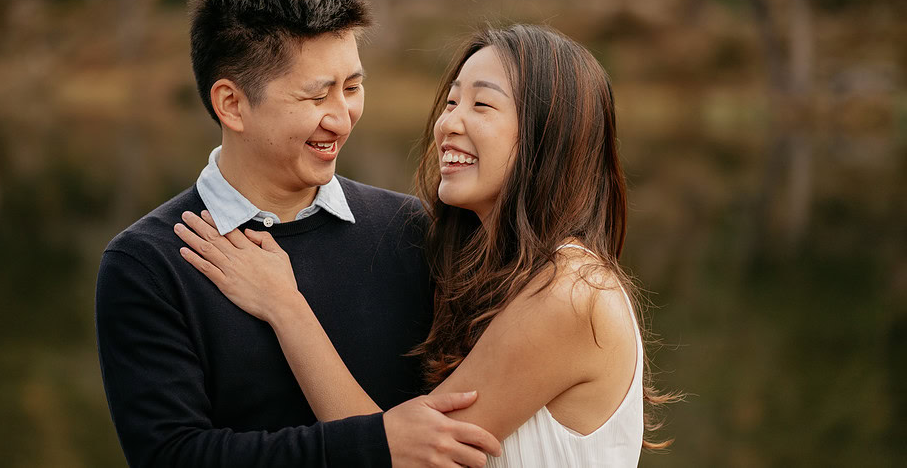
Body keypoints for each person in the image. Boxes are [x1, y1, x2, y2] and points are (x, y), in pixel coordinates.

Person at [175, 24, 675, 466]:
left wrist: (285, 308)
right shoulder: (496, 277)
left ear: (550, 136)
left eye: (482, 104)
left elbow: (403, 458)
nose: (448, 123)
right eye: (452, 100)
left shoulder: (567, 297)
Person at [95, 0, 502, 468]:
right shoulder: (149, 264)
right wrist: (376, 444)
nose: (342, 116)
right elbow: (173, 456)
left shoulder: (413, 230)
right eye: (316, 94)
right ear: (232, 105)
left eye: (352, 88)